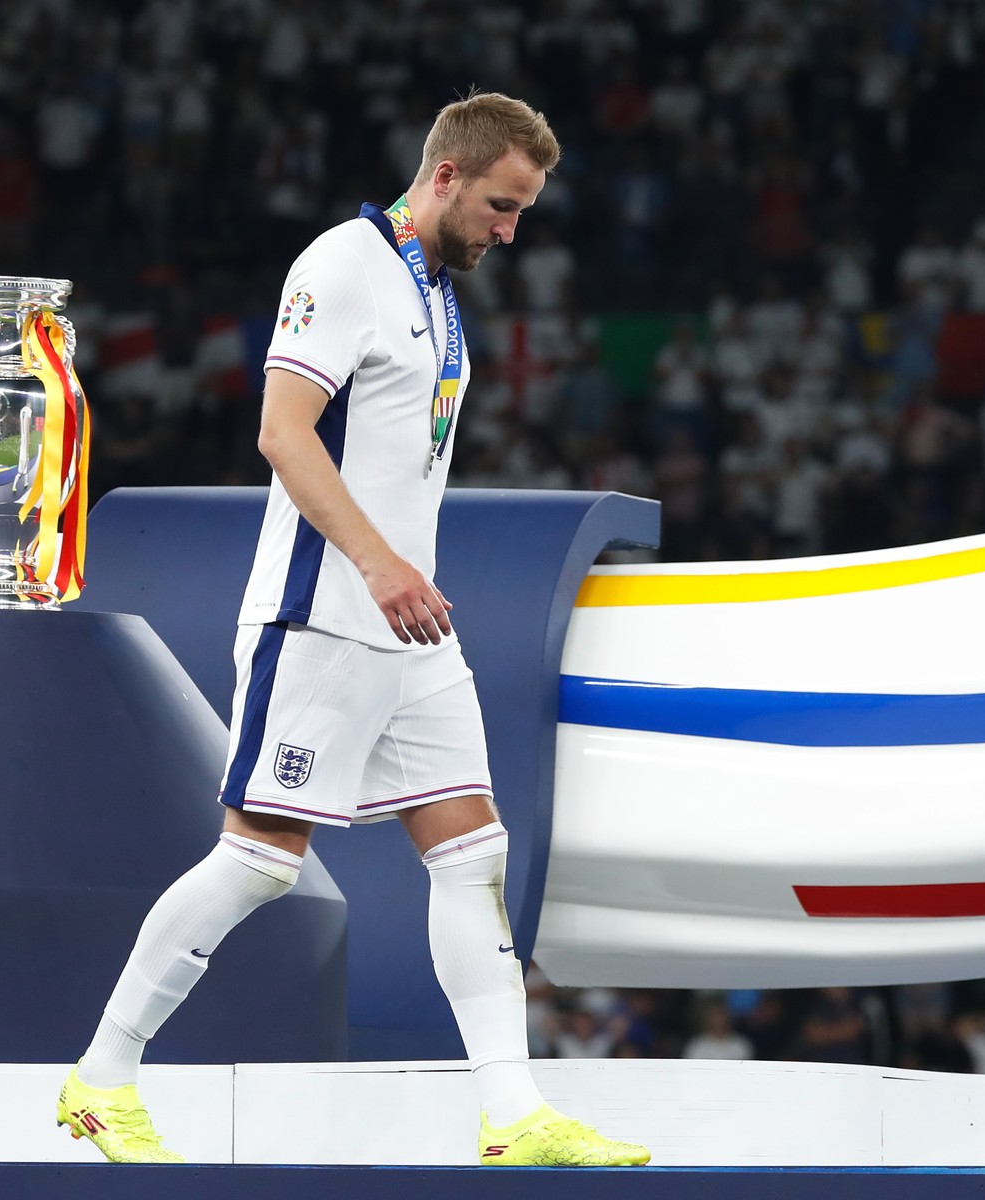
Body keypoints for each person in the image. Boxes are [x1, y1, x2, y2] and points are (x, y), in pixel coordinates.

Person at [55, 93, 649, 1169]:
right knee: (257, 863)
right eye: (504, 208)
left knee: (473, 854)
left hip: (407, 625)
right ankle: (102, 1077)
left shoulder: (430, 284)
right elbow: (282, 434)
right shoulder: (340, 265)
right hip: (323, 612)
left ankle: (511, 1115)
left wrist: (399, 578)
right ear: (446, 177)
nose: (511, 232)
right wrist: (379, 568)